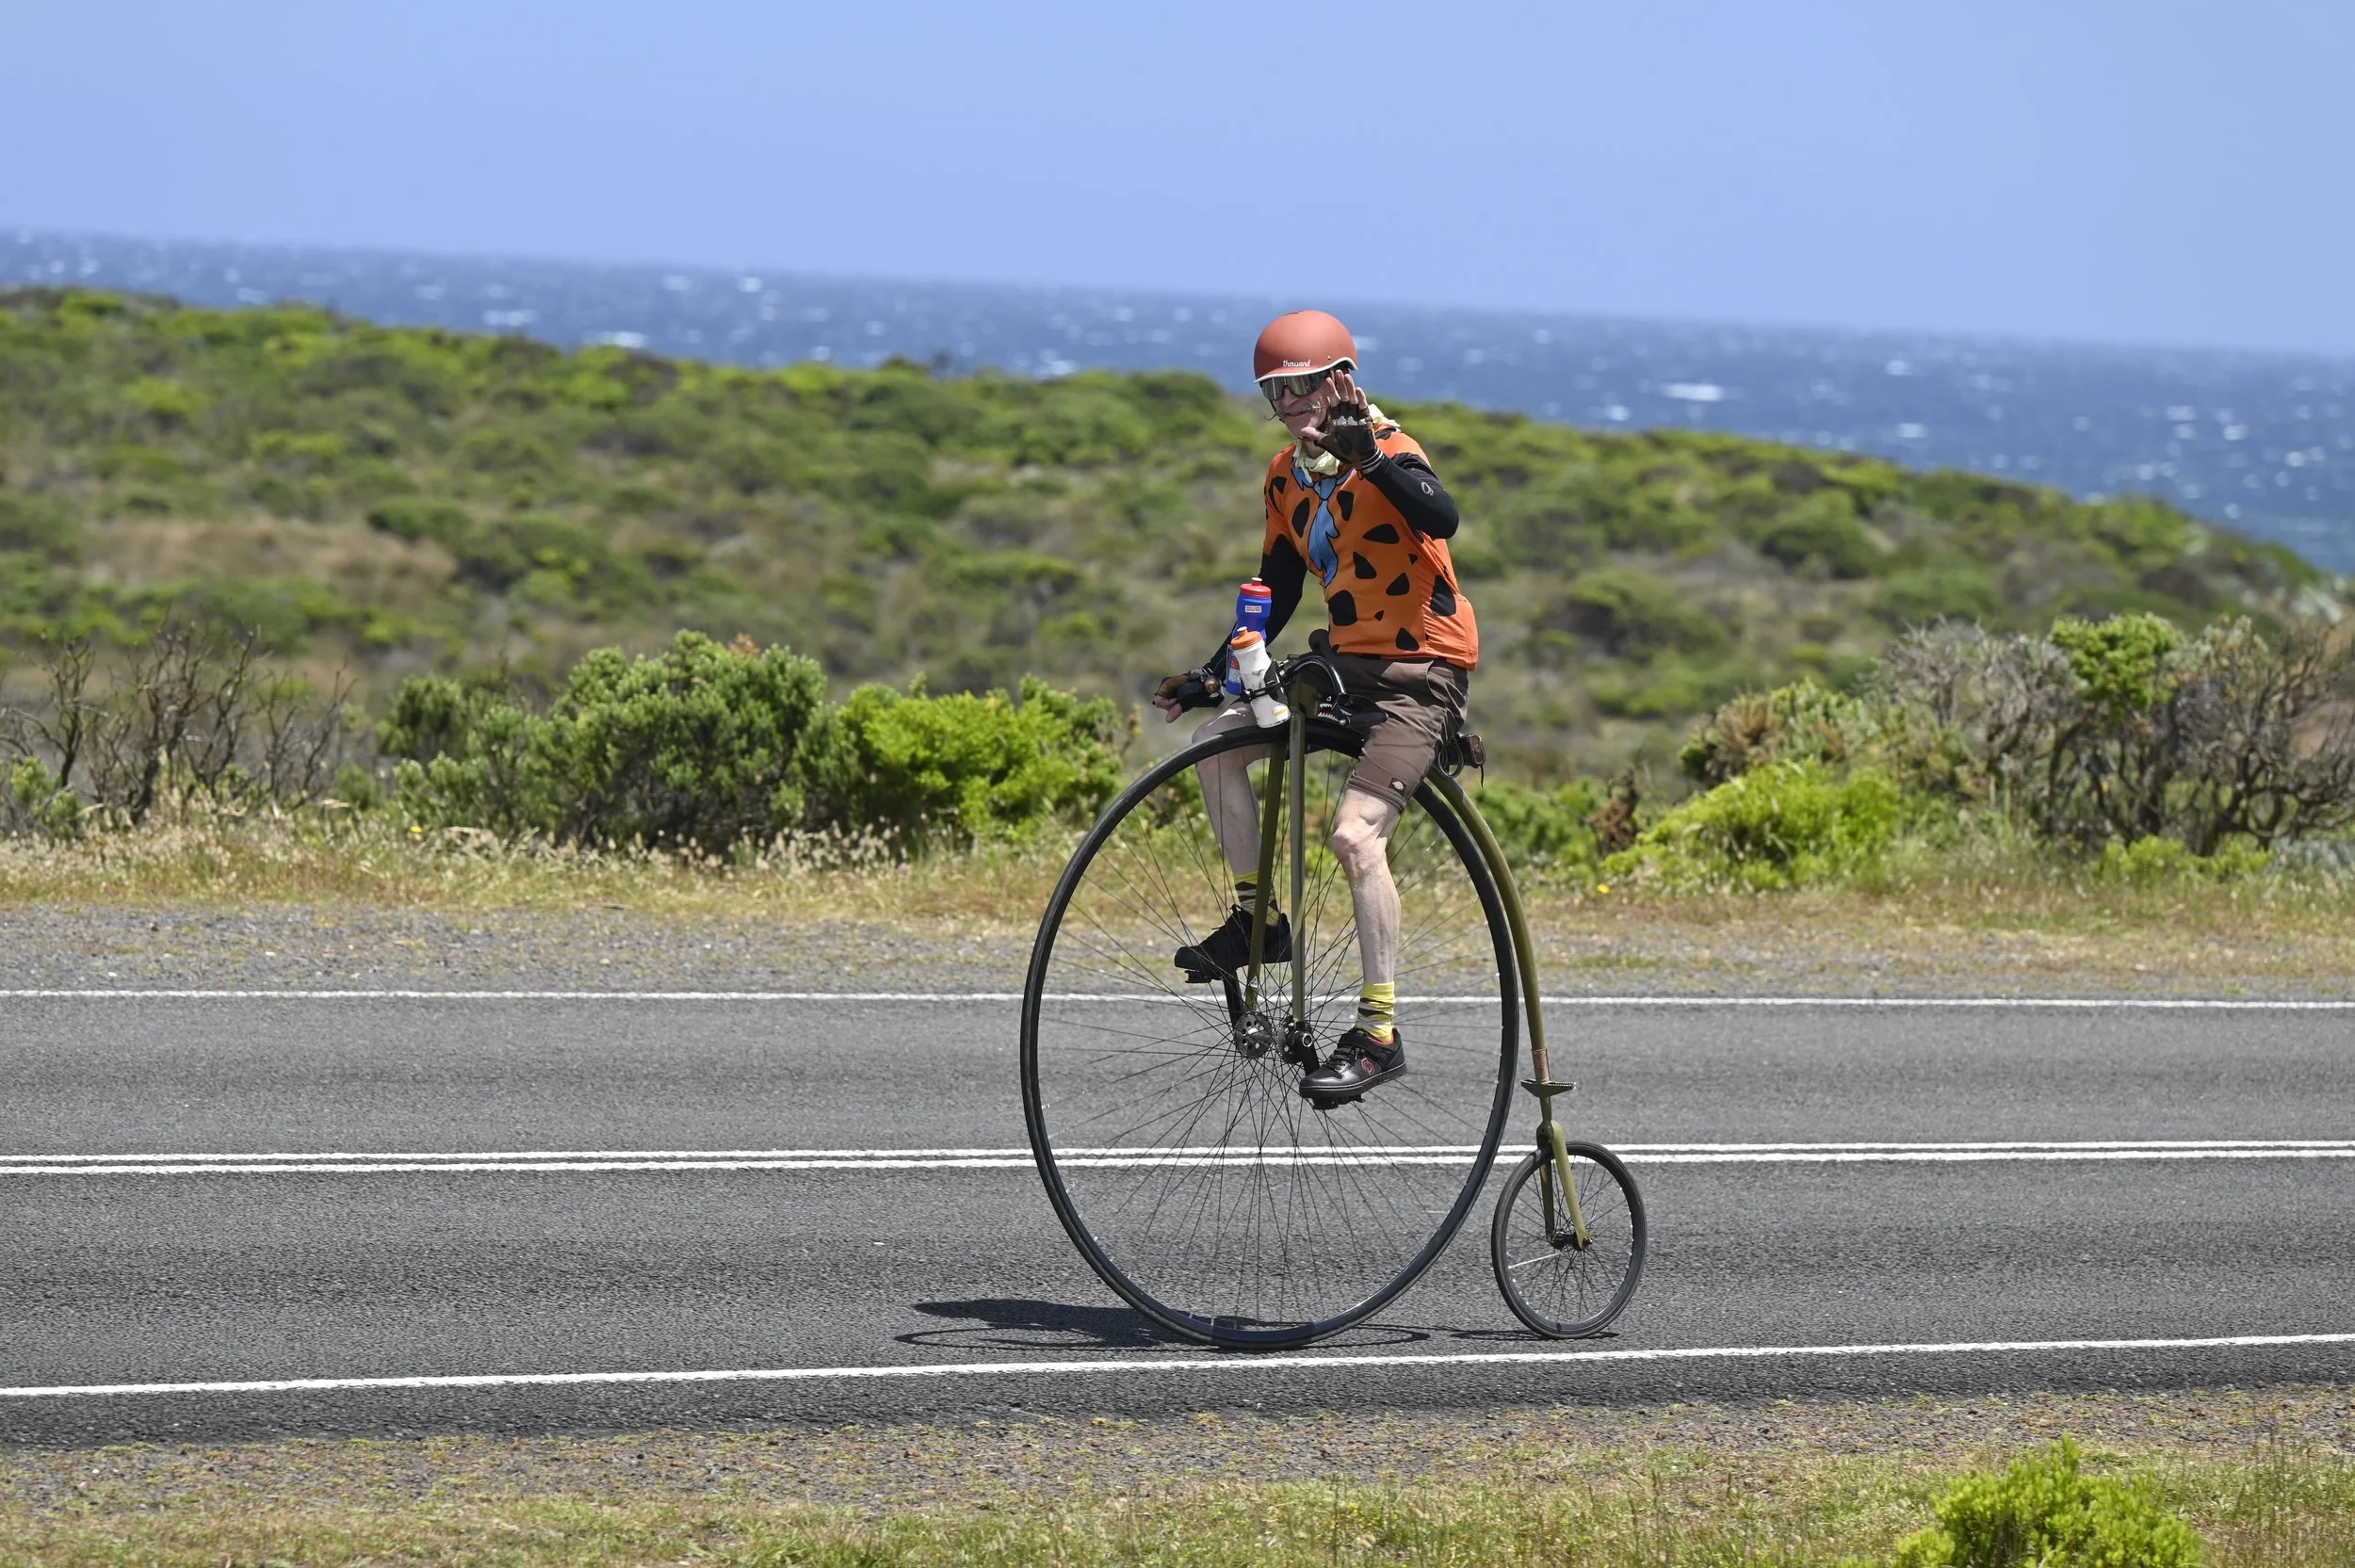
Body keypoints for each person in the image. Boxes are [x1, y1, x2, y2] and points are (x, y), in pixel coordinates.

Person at [1152, 310, 1479, 1107]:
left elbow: (1441, 515)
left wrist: (1365, 452)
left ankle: (1378, 1034)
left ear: (1341, 379)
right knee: (1217, 741)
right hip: (1341, 664)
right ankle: (1259, 922)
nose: (1292, 400)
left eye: (1303, 384)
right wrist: (1214, 669)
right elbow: (1281, 582)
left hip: (1419, 671)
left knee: (1354, 836)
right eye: (1276, 390)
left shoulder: (1391, 451)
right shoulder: (1284, 476)